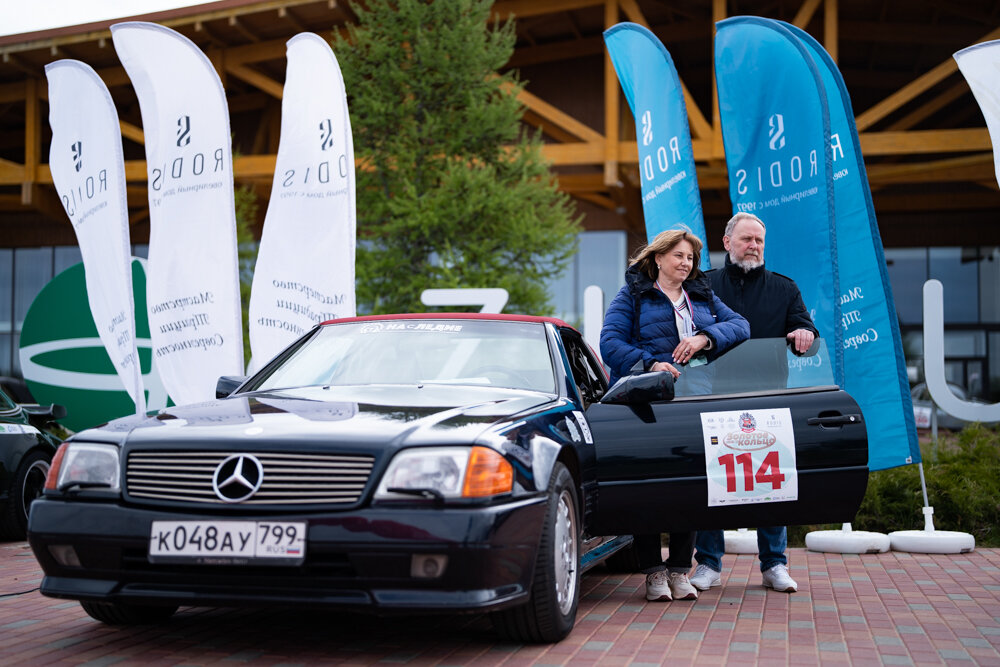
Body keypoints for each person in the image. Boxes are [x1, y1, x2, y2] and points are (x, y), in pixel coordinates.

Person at [600, 229, 749, 602]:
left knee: (692, 488)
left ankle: (681, 569)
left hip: (694, 403)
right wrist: (651, 364)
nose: (686, 264)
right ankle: (653, 572)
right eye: (680, 256)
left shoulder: (701, 295)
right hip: (647, 406)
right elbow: (610, 343)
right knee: (649, 488)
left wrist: (705, 337)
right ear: (659, 258)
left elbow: (742, 326)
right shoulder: (633, 295)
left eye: (691, 259)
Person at [689, 212, 819, 594]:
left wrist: (804, 331)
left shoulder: (784, 289)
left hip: (767, 401)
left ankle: (775, 564)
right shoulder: (702, 285)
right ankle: (708, 564)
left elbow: (805, 327)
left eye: (759, 241)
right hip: (713, 399)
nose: (754, 247)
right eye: (746, 240)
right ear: (727, 242)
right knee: (715, 482)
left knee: (771, 482)